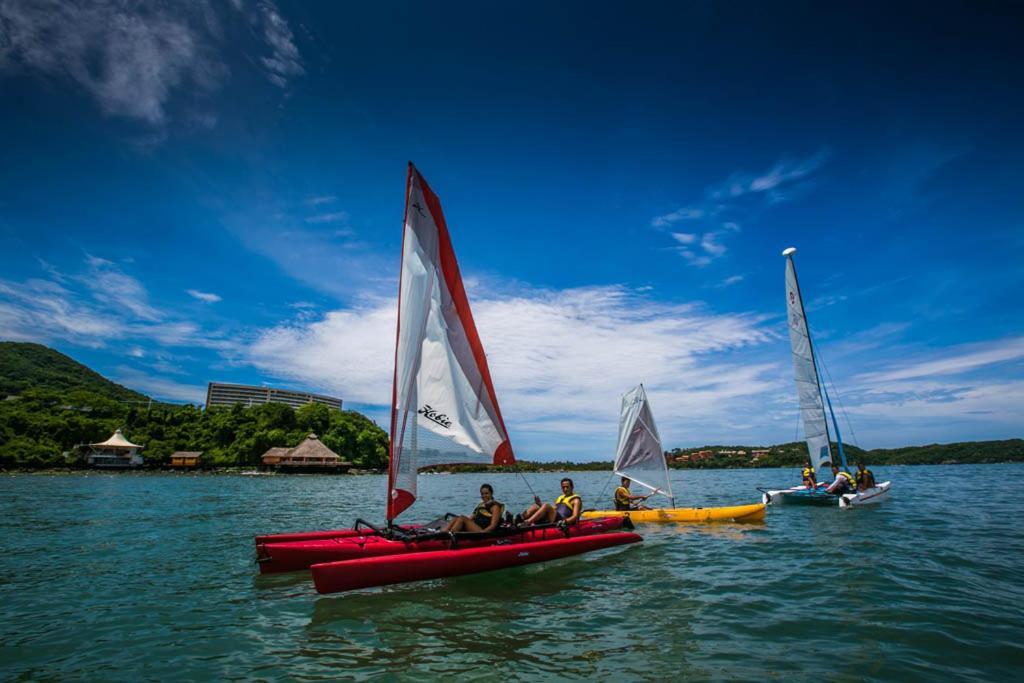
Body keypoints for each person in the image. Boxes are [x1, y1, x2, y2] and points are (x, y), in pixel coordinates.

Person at [518, 478, 582, 526]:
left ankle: (527, 522)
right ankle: (520, 519)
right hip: (554, 517)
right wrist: (540, 504)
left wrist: (564, 522)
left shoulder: (576, 500)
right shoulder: (560, 497)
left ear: (572, 487)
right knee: (535, 506)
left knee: (547, 505)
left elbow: (575, 516)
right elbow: (553, 509)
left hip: (562, 520)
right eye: (563, 487)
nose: (565, 489)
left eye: (567, 487)